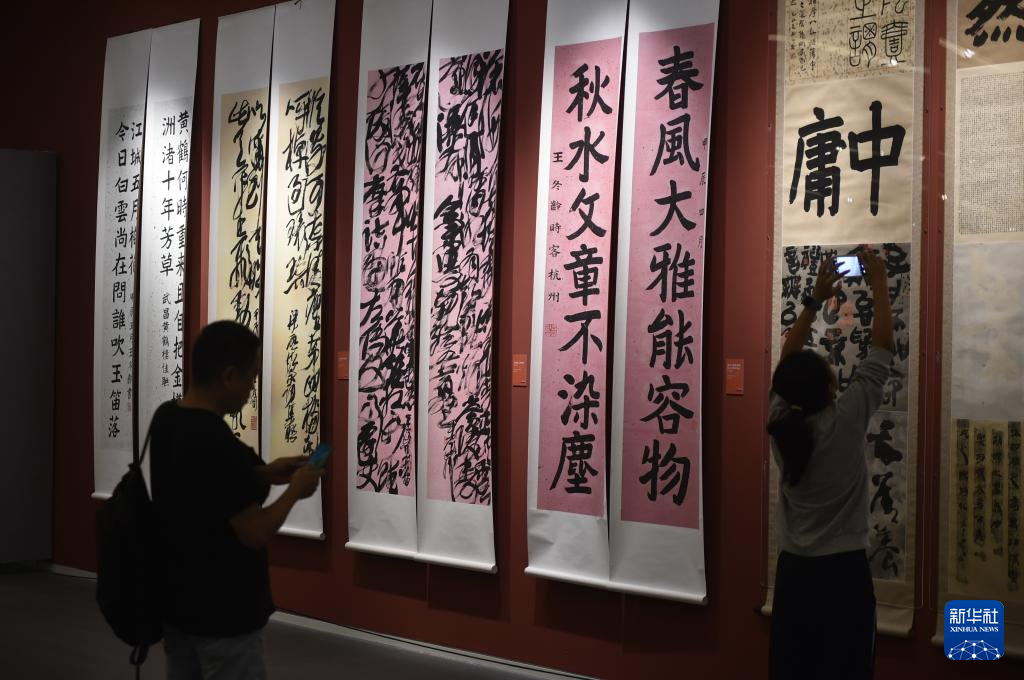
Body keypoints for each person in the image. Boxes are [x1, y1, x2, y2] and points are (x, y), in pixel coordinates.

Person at [149, 320, 324, 680]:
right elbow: (254, 531)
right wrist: (295, 490)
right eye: (251, 378)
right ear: (229, 376)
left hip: (178, 604)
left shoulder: (168, 418)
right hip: (224, 612)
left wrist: (265, 473)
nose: (251, 390)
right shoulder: (214, 440)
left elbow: (202, 487)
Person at [767, 250, 894, 680]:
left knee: (793, 668)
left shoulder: (781, 425)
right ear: (829, 385)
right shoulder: (845, 420)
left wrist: (813, 300)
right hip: (843, 574)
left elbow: (785, 366)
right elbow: (883, 350)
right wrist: (880, 283)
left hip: (794, 572)